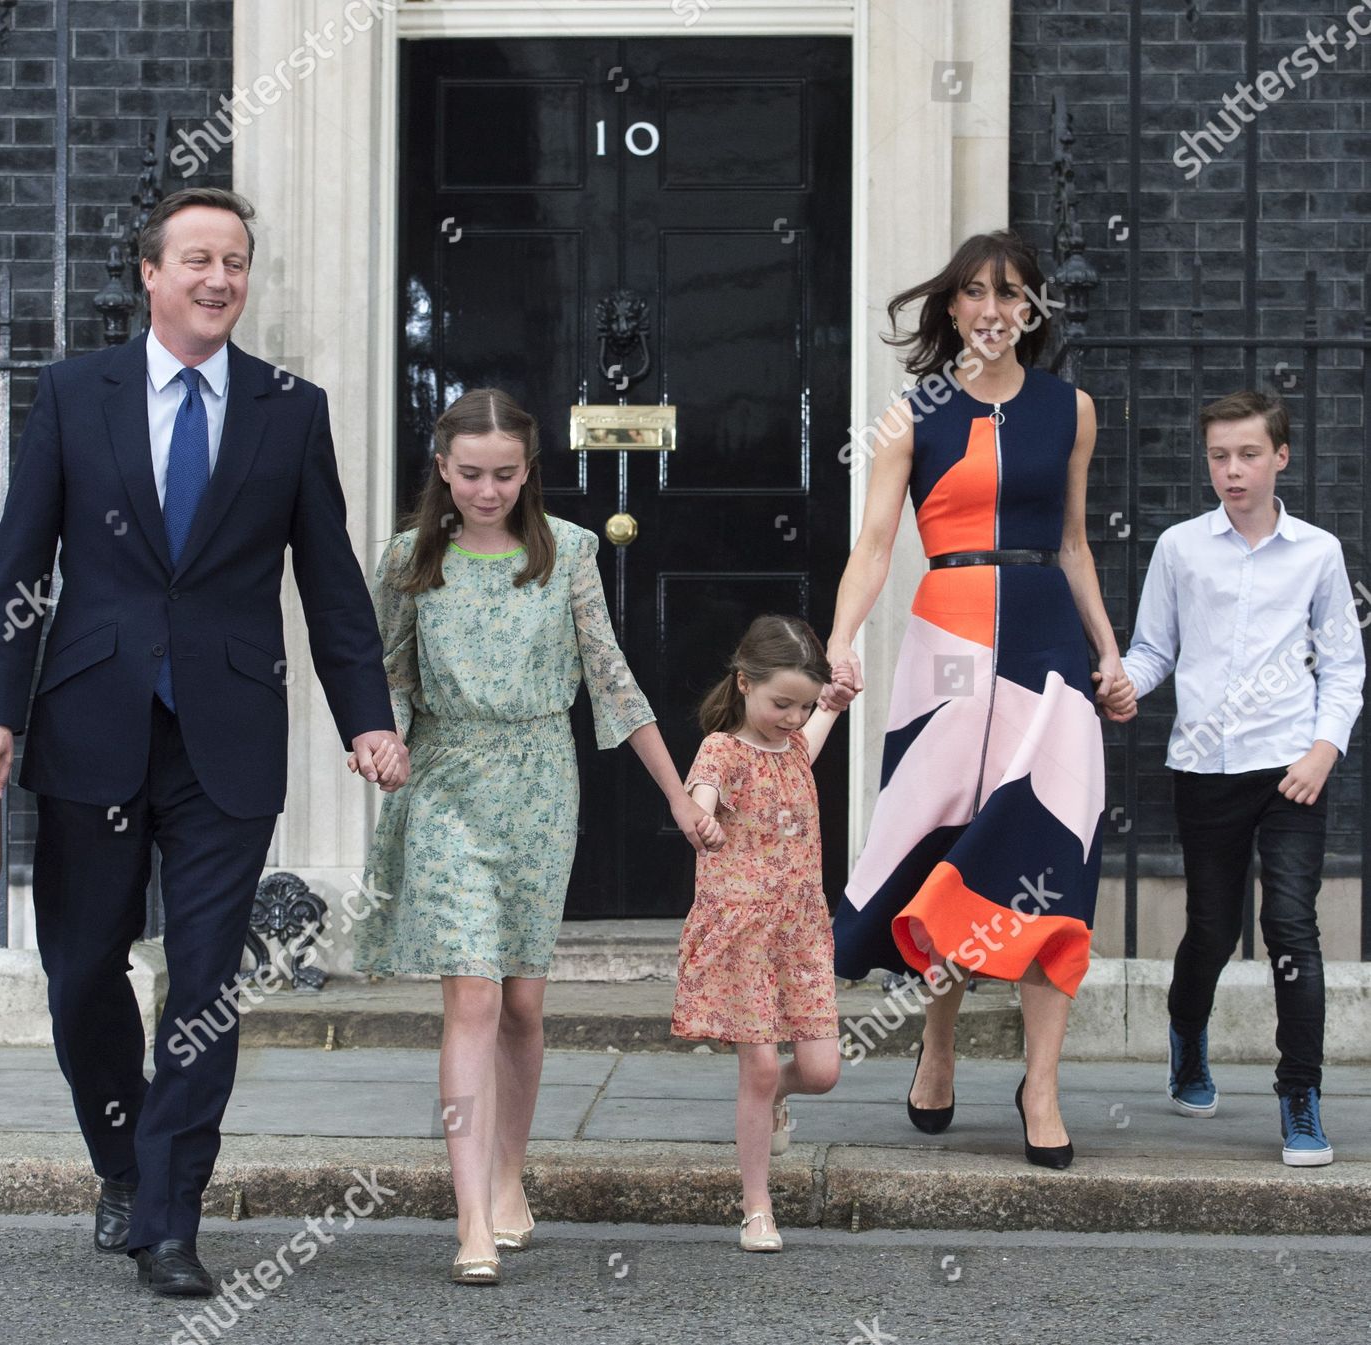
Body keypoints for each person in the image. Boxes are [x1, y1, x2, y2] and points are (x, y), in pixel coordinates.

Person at [0, 188, 409, 1297]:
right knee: (80, 974)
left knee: (203, 982)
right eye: (199, 258)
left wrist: (366, 715)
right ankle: (121, 1160)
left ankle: (169, 1218)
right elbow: (20, 565)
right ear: (149, 274)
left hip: (227, 738)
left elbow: (332, 579)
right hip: (90, 725)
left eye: (238, 261)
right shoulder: (75, 394)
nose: (220, 278)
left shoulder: (288, 409)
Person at [351, 388, 717, 1284]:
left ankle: (511, 1173)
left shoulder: (572, 555)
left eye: (505, 474)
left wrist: (677, 794)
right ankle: (471, 1215)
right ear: (441, 468)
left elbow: (614, 681)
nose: (487, 490)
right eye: (470, 473)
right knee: (472, 997)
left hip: (540, 784)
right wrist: (382, 737)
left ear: (530, 471)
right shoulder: (409, 559)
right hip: (443, 782)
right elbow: (386, 675)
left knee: (521, 1003)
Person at [822, 229, 1133, 1169]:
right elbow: (875, 545)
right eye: (976, 293)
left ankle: (1041, 1081)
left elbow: (1075, 543)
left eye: (1012, 293)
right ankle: (941, 1042)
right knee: (946, 852)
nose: (994, 309)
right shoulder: (910, 415)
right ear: (951, 307)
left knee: (1053, 851)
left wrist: (1109, 654)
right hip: (945, 645)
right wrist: (840, 637)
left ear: (1031, 308)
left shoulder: (1070, 410)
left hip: (1045, 643)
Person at [1106, 389, 1364, 1166]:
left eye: (1248, 453)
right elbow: (1154, 649)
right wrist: (1124, 682)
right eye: (1219, 455)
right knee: (1213, 931)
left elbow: (1344, 666)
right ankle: (1188, 1032)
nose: (1233, 469)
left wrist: (1324, 750)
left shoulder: (1317, 552)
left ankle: (1300, 1094)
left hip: (1292, 770)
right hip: (1205, 770)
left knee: (1291, 926)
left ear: (1281, 457)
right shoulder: (1182, 549)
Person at [672, 615, 846, 1252]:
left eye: (802, 706)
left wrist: (834, 699)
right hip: (744, 932)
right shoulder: (723, 748)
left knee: (822, 1071)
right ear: (744, 684)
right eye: (781, 703)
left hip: (800, 934)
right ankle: (756, 1208)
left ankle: (772, 1097)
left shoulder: (797, 744)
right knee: (762, 1065)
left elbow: (820, 719)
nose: (794, 718)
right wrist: (705, 817)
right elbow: (703, 794)